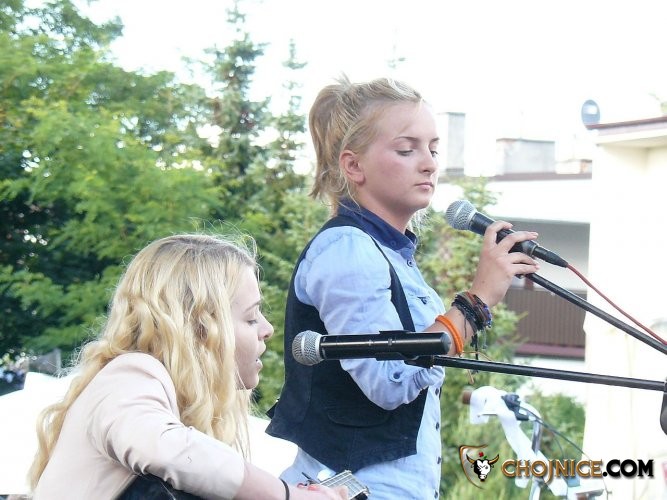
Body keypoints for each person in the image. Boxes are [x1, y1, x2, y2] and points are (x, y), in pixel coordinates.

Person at [265, 75, 541, 499]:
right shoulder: (348, 251)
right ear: (353, 166)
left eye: (433, 149)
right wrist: (477, 301)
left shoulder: (388, 254)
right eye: (407, 149)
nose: (429, 164)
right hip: (359, 488)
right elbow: (389, 379)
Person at [27, 234, 347, 500]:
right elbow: (164, 448)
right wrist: (286, 495)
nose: (267, 329)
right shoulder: (129, 375)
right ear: (200, 328)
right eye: (251, 317)